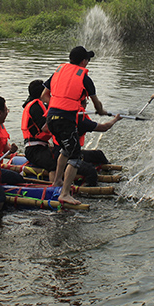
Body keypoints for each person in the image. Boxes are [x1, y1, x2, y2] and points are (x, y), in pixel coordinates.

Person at [41, 46, 108, 205]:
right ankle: (64, 193)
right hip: (65, 120)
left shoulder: (58, 71)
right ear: (84, 61)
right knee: (75, 156)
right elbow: (97, 104)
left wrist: (56, 106)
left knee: (66, 149)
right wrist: (101, 111)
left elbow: (44, 95)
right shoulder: (84, 78)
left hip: (51, 118)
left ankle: (57, 182)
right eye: (88, 60)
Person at [21, 79, 56, 174]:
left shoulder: (38, 105)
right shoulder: (35, 107)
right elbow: (45, 128)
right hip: (34, 149)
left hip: (41, 146)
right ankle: (55, 186)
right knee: (53, 165)